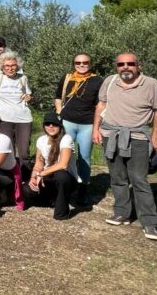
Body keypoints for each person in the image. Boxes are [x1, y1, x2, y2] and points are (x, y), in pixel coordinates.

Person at [93, 52, 157, 241]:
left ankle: (149, 222)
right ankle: (121, 213)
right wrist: (96, 129)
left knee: (139, 180)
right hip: (111, 136)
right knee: (117, 177)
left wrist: (155, 137)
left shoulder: (151, 84)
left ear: (138, 65)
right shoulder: (109, 81)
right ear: (116, 66)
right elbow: (101, 105)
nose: (125, 67)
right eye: (121, 64)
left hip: (138, 138)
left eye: (130, 63)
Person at [54, 53, 103, 206]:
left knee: (84, 158)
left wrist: (97, 127)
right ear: (73, 63)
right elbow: (57, 97)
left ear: (91, 63)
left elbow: (99, 105)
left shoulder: (98, 81)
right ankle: (63, 187)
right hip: (67, 121)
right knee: (63, 154)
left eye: (85, 62)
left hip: (87, 124)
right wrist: (59, 113)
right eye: (78, 62)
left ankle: (82, 190)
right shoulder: (67, 77)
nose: (81, 65)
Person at [25, 112, 77, 220]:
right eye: (47, 124)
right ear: (44, 126)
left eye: (54, 124)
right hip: (48, 177)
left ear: (60, 126)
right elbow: (39, 163)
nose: (51, 126)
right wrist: (33, 177)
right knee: (26, 190)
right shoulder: (41, 140)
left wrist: (42, 174)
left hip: (67, 179)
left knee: (61, 175)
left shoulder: (66, 139)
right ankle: (52, 199)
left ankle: (62, 212)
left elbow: (63, 165)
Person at [0, 50, 33, 179]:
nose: (10, 68)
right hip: (4, 119)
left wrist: (29, 97)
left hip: (24, 118)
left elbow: (29, 94)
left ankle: (26, 180)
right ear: (2, 66)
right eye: (7, 66)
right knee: (8, 150)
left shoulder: (23, 78)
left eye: (13, 65)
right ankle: (12, 178)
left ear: (17, 66)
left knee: (24, 152)